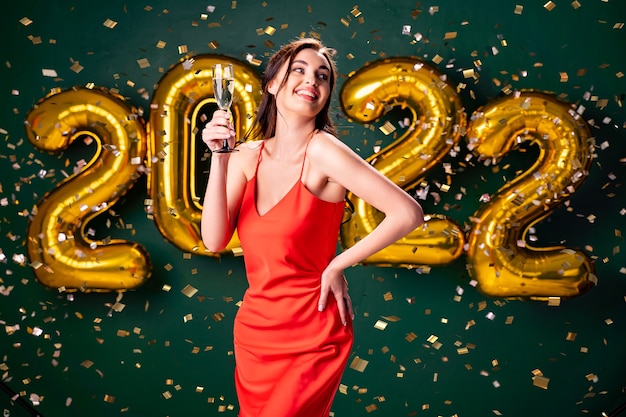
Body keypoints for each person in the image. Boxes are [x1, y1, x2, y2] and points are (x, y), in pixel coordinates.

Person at [201, 37, 424, 417]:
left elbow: (408, 213)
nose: (312, 80)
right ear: (272, 84)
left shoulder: (324, 151)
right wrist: (220, 157)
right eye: (299, 70)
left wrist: (337, 265)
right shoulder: (243, 156)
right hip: (256, 331)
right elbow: (214, 239)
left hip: (312, 331)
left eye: (323, 76)